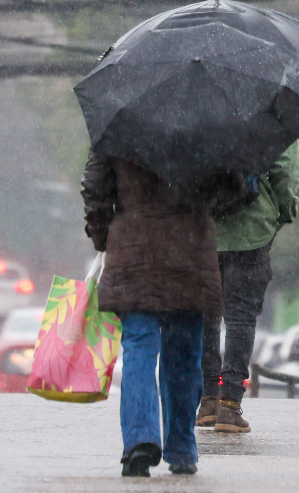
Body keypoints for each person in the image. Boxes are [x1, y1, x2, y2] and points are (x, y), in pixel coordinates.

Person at [81, 151, 243, 477]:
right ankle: (182, 449)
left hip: (133, 253)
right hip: (189, 254)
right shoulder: (207, 128)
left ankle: (140, 440)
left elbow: (95, 190)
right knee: (183, 358)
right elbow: (234, 189)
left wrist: (103, 236)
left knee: (139, 349)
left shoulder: (117, 126)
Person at [196, 141, 299, 433]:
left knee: (207, 316)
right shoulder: (273, 109)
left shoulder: (202, 106)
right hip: (253, 228)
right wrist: (283, 211)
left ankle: (208, 399)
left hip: (206, 229)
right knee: (241, 317)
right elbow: (285, 170)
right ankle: (230, 404)